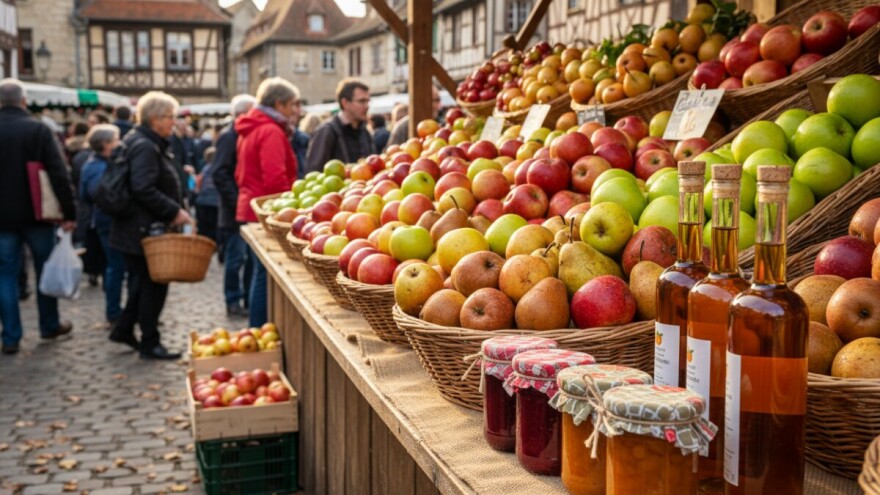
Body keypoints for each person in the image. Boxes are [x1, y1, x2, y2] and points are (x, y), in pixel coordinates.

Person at [107, 90, 193, 360]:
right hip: (142, 230)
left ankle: (123, 330)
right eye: (170, 116)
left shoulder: (142, 141)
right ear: (155, 119)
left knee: (141, 285)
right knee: (152, 287)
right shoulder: (145, 145)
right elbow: (143, 188)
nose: (173, 122)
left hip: (135, 229)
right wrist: (174, 211)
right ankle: (150, 342)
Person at [0, 78, 77, 355]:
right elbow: (58, 172)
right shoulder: (37, 130)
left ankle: (11, 336)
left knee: (5, 275)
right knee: (45, 268)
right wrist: (69, 212)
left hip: (2, 218)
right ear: (24, 101)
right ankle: (49, 324)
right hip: (37, 213)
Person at [235, 78, 299, 328]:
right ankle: (259, 328)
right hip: (265, 210)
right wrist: (288, 211)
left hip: (249, 205)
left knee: (256, 272)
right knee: (263, 275)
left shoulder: (251, 127)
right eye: (292, 104)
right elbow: (275, 180)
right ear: (279, 104)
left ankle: (256, 327)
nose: (295, 110)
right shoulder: (270, 130)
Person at [79, 124, 126, 324]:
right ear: (106, 144)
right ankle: (114, 310)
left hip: (105, 219)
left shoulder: (95, 164)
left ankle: (115, 308)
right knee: (115, 266)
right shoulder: (97, 166)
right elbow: (97, 195)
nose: (119, 143)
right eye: (116, 140)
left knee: (114, 265)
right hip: (109, 220)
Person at [213, 94, 255, 318]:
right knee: (235, 259)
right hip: (233, 212)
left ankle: (247, 299)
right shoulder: (229, 137)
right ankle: (232, 300)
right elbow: (219, 173)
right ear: (240, 114)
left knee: (248, 259)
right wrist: (237, 200)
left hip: (244, 210)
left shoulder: (244, 135)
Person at [305, 78, 374, 174]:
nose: (367, 106)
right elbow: (313, 172)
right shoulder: (327, 131)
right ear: (345, 103)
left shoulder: (364, 131)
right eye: (362, 101)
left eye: (368, 101)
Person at [194, 147, 219, 245]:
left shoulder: (204, 170)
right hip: (215, 203)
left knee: (204, 227)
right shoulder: (218, 169)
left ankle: (203, 245)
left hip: (202, 202)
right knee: (214, 226)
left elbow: (198, 185)